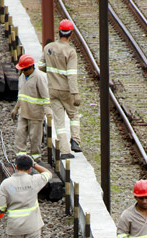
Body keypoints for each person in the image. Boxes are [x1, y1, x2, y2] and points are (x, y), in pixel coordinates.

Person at [38, 19, 81, 160]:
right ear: (71, 34)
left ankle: (64, 151)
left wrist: (52, 72)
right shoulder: (70, 51)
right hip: (66, 90)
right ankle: (75, 140)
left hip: (52, 89)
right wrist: (75, 94)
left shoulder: (49, 48)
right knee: (73, 115)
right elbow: (71, 75)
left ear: (59, 32)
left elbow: (40, 66)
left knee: (59, 121)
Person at [11, 54, 52, 163]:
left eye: (24, 70)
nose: (23, 72)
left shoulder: (39, 77)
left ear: (31, 67)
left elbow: (45, 96)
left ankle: (35, 158)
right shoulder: (22, 77)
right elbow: (21, 94)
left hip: (35, 113)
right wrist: (16, 108)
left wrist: (47, 110)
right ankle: (20, 157)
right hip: (23, 111)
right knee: (20, 134)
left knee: (35, 137)